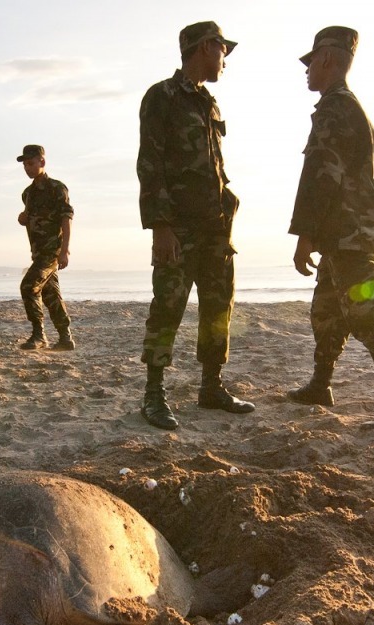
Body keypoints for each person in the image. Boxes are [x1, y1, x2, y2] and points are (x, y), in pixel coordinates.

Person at [285, 26, 374, 428]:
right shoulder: (345, 107)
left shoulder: (336, 107)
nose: (307, 70)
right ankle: (321, 384)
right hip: (342, 233)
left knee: (367, 311)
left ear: (327, 59)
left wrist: (304, 235)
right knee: (327, 312)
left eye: (311, 62)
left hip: (347, 233)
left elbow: (320, 174)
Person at [135, 21, 254, 430]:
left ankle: (211, 387)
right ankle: (153, 394)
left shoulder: (209, 104)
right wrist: (161, 227)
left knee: (219, 308)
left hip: (216, 227)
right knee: (167, 307)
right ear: (206, 47)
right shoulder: (162, 97)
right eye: (223, 49)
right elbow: (149, 164)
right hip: (179, 228)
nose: (225, 59)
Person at [16, 144, 74, 350]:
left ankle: (39, 335)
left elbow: (66, 218)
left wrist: (65, 250)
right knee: (51, 295)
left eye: (30, 163)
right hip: (37, 252)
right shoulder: (28, 193)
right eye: (24, 165)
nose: (27, 168)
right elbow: (33, 218)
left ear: (42, 161)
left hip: (51, 252)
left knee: (28, 286)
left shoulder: (56, 188)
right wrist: (24, 219)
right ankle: (65, 338)